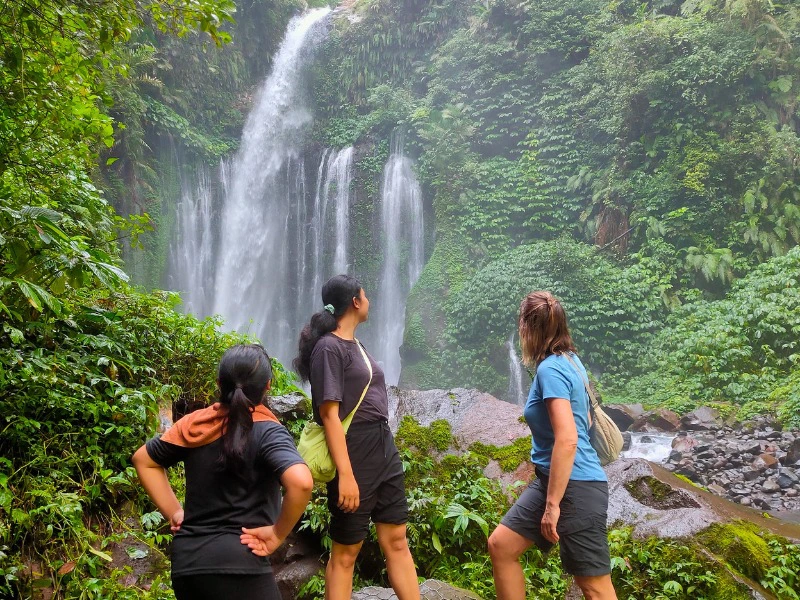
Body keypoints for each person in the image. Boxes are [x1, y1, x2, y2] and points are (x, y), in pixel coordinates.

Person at [132, 344, 313, 600]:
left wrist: (174, 512)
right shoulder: (267, 431)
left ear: (219, 383)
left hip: (188, 565)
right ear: (268, 386)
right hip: (240, 563)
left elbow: (143, 460)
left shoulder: (196, 425)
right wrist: (276, 534)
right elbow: (302, 483)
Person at [293, 274, 419, 600]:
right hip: (354, 450)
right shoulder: (328, 348)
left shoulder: (356, 345)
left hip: (382, 444)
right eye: (366, 295)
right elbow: (329, 415)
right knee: (346, 552)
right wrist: (346, 474)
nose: (370, 301)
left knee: (397, 540)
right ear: (355, 301)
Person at [488, 291, 617, 600]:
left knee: (594, 587)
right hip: (553, 480)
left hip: (576, 486)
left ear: (528, 327)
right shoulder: (571, 362)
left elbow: (569, 437)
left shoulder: (550, 371)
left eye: (521, 322)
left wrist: (553, 505)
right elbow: (584, 420)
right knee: (501, 546)